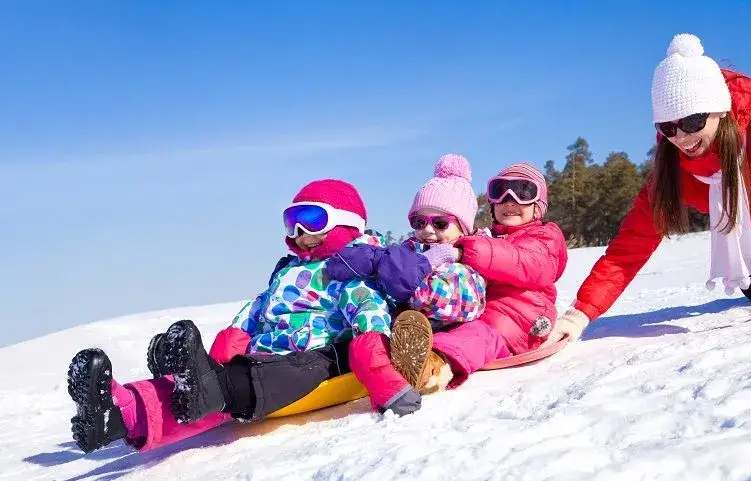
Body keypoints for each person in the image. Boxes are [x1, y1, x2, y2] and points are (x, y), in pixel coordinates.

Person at [67, 179, 417, 455]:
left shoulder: (350, 271)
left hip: (315, 359)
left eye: (310, 219)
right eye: (291, 221)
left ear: (345, 223)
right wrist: (216, 359)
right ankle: (116, 413)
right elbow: (253, 315)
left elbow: (369, 325)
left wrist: (388, 387)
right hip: (264, 357)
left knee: (235, 385)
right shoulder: (288, 272)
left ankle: (204, 385)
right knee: (210, 388)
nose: (297, 232)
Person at [550, 33, 751, 344]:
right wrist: (579, 315)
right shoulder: (674, 167)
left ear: (719, 109)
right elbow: (629, 247)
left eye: (692, 121)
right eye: (668, 127)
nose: (681, 137)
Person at [327, 153, 490, 394]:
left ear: (463, 226)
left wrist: (413, 284)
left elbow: (467, 303)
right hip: (393, 326)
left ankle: (420, 364)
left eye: (440, 223)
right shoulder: (407, 252)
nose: (427, 230)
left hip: (441, 330)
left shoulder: (464, 259)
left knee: (457, 339)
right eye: (418, 221)